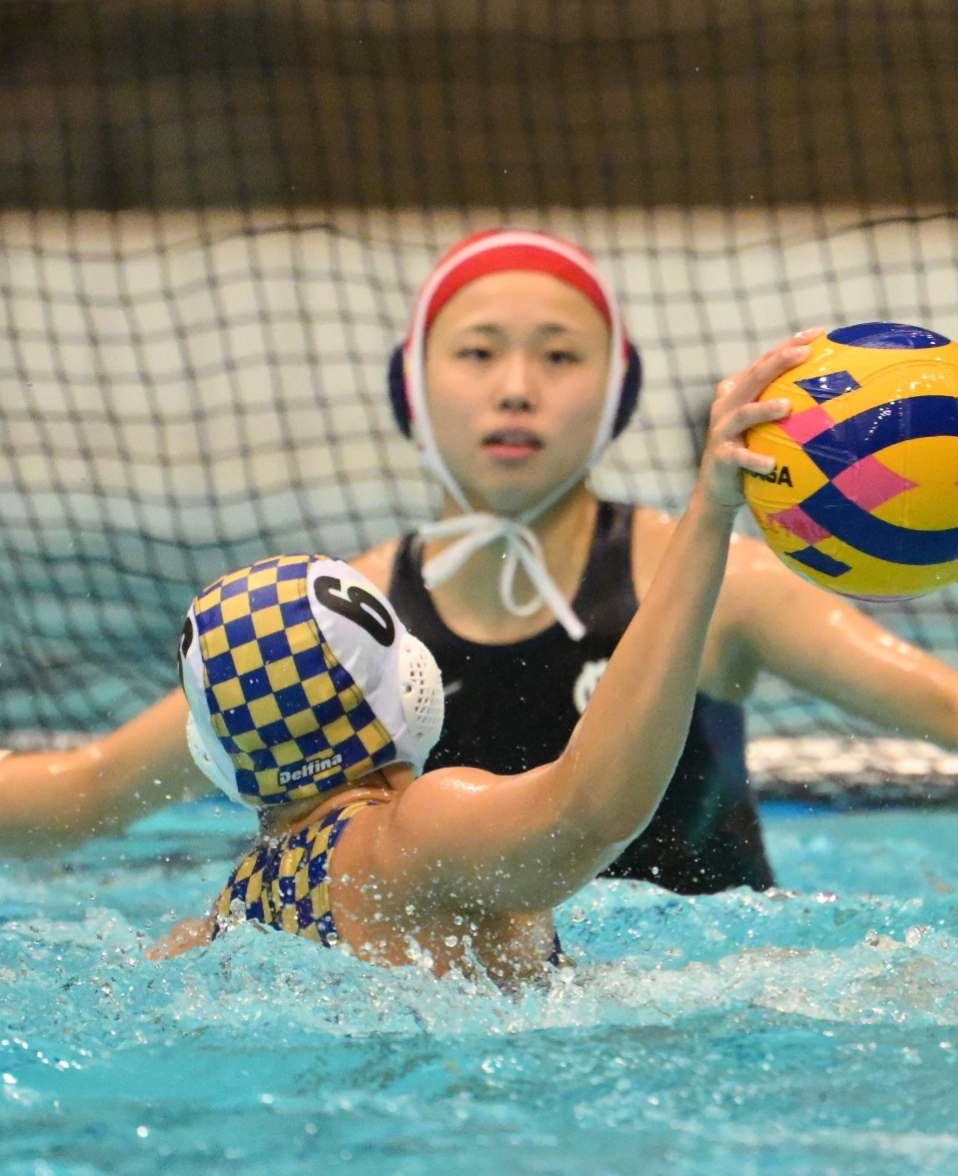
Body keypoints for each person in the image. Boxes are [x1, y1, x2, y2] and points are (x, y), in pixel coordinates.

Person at [0, 231, 958, 914]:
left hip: (704, 980)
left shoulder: (702, 573)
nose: (516, 385)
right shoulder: (347, 621)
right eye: (477, 352)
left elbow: (934, 697)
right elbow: (98, 787)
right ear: (415, 390)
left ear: (616, 392)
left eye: (559, 355)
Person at [142, 332, 810, 980]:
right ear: (409, 682)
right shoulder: (418, 837)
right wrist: (709, 513)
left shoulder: (227, 918)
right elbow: (593, 808)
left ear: (215, 753)